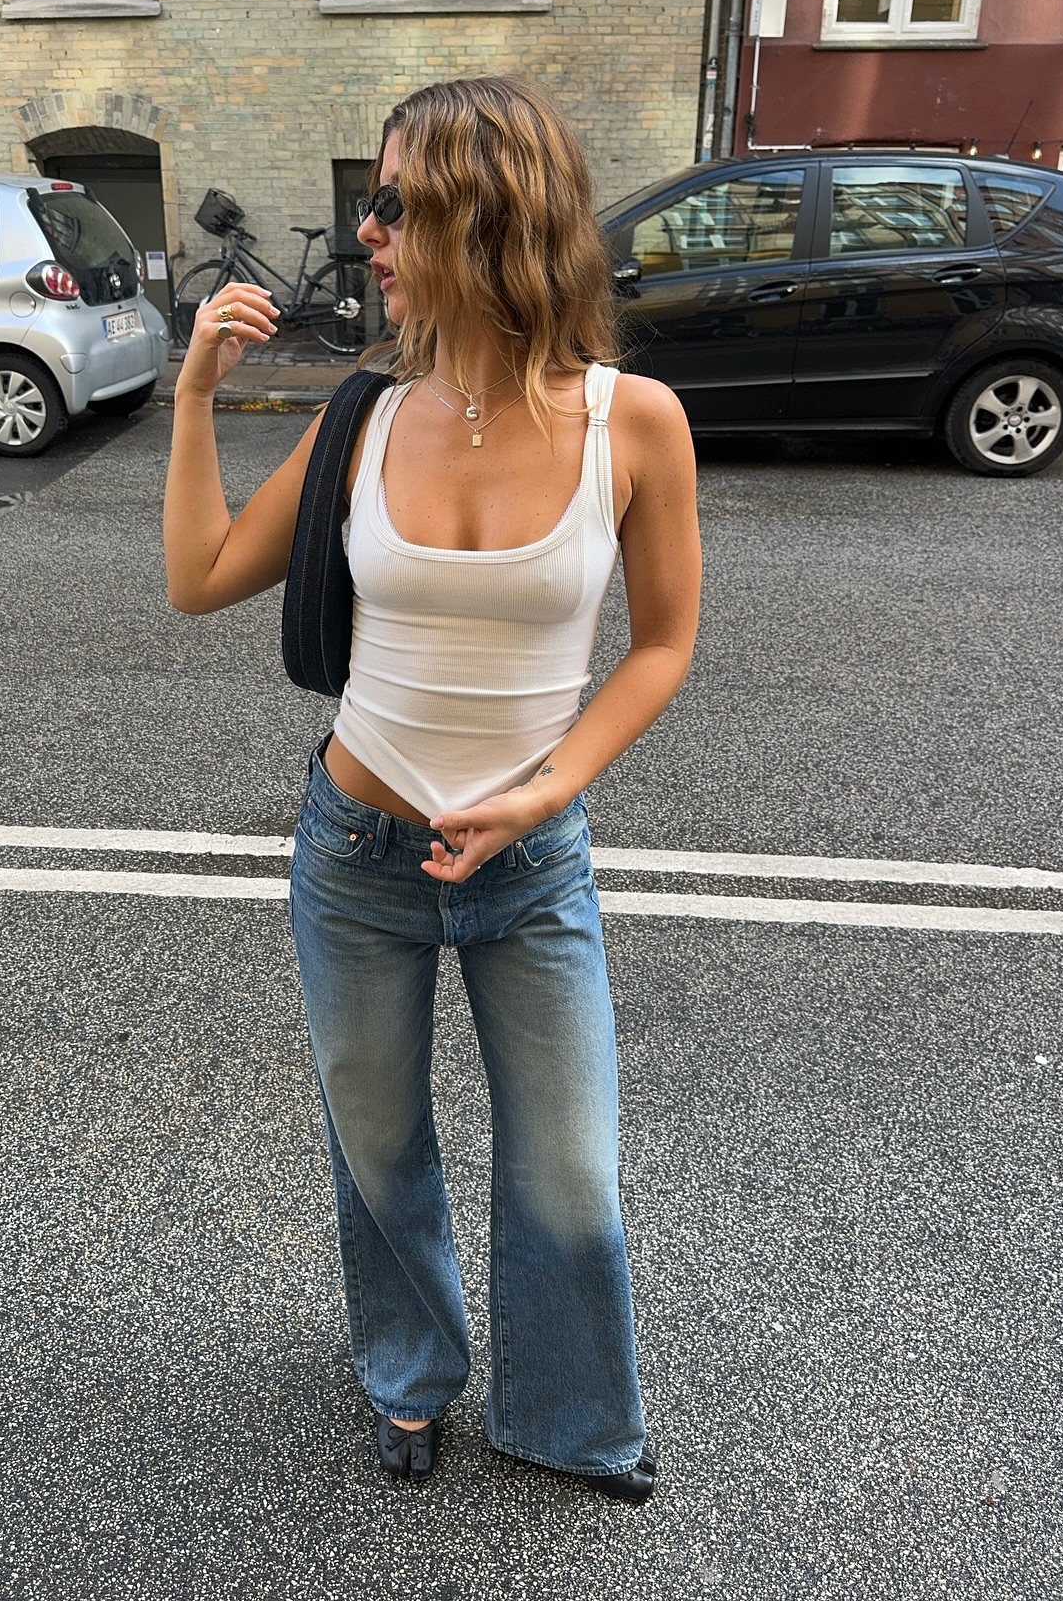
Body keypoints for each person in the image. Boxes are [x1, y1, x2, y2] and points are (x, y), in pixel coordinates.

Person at [164, 76, 701, 1502]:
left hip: (531, 861)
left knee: (570, 1164)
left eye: (397, 203)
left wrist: (547, 790)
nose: (369, 231)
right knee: (378, 1143)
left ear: (489, 213)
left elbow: (662, 646)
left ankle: (571, 1417)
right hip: (356, 852)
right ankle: (410, 1379)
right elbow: (200, 578)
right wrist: (196, 399)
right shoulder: (367, 418)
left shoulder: (635, 422)